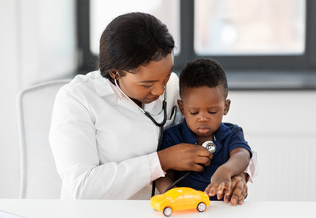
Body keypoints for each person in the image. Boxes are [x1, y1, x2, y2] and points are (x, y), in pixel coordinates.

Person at [49, 12, 254, 201]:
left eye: (165, 77)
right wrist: (161, 161)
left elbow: (227, 140)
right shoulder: (77, 99)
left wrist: (238, 176)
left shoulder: (173, 87)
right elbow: (82, 188)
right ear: (114, 73)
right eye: (147, 84)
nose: (159, 91)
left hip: (169, 214)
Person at [156, 58, 254, 205]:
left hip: (223, 208)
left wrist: (226, 171)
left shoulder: (232, 133)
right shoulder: (173, 136)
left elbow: (242, 155)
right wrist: (173, 194)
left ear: (226, 107)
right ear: (182, 108)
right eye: (194, 112)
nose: (203, 118)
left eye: (212, 111)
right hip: (186, 209)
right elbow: (163, 176)